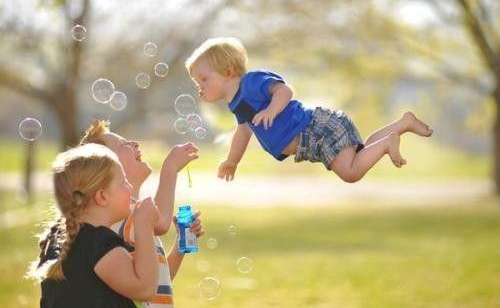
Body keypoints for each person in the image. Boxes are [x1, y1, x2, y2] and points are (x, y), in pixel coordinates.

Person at [185, 37, 433, 183]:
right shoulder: (237, 102)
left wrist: (272, 109)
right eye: (197, 83)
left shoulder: (252, 82)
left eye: (204, 79)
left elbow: (284, 90)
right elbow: (242, 133)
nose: (200, 87)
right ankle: (403, 124)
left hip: (316, 129)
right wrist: (231, 161)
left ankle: (390, 141)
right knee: (360, 154)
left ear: (228, 72)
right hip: (313, 138)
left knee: (351, 173)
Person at [34, 120, 203, 308]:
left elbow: (155, 277)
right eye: (122, 180)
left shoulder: (82, 236)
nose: (135, 144)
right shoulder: (113, 228)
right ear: (102, 194)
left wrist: (179, 249)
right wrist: (170, 168)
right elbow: (145, 285)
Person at [33, 143, 160, 308]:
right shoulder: (99, 243)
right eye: (124, 182)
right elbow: (145, 289)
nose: (130, 187)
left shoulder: (60, 239)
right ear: (102, 196)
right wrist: (144, 225)